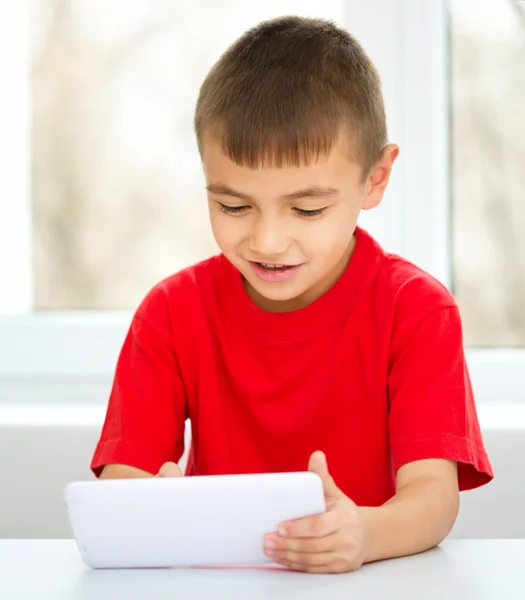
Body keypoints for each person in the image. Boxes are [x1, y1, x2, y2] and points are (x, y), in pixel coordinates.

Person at [91, 15, 493, 574]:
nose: (268, 241)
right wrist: (148, 506)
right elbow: (123, 486)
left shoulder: (417, 311)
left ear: (375, 179)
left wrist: (364, 534)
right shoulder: (170, 314)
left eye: (306, 209)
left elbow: (433, 496)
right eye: (233, 206)